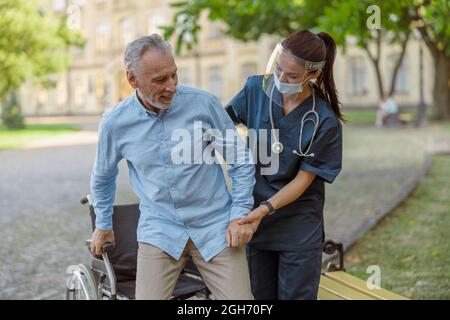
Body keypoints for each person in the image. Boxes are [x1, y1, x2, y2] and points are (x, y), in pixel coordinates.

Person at [90, 34, 256, 300]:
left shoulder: (205, 104)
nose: (172, 86)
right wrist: (103, 224)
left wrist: (239, 214)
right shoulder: (115, 123)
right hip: (160, 230)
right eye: (159, 80)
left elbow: (241, 161)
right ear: (132, 80)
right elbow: (103, 177)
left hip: (215, 227)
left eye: (174, 75)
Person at [226, 30, 344, 300]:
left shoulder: (323, 120)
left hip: (297, 228)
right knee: (259, 296)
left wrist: (263, 210)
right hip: (256, 225)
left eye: (291, 76)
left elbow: (303, 180)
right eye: (279, 69)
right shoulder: (255, 90)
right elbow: (219, 125)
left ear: (313, 75)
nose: (281, 79)